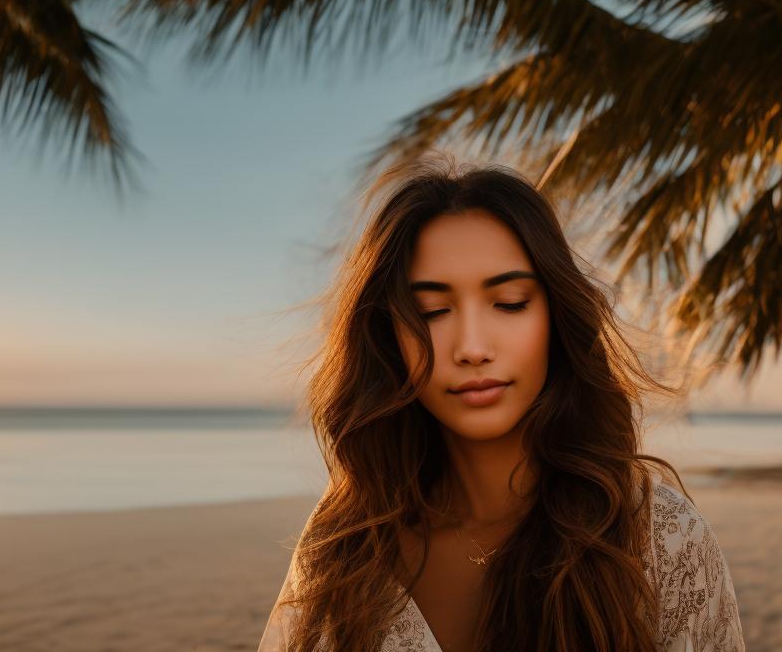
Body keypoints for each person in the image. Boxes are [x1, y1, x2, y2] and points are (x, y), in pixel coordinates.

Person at [256, 153, 744, 652]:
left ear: (556, 317)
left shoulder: (661, 538)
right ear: (388, 337)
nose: (471, 348)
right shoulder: (347, 540)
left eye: (510, 302)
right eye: (431, 311)